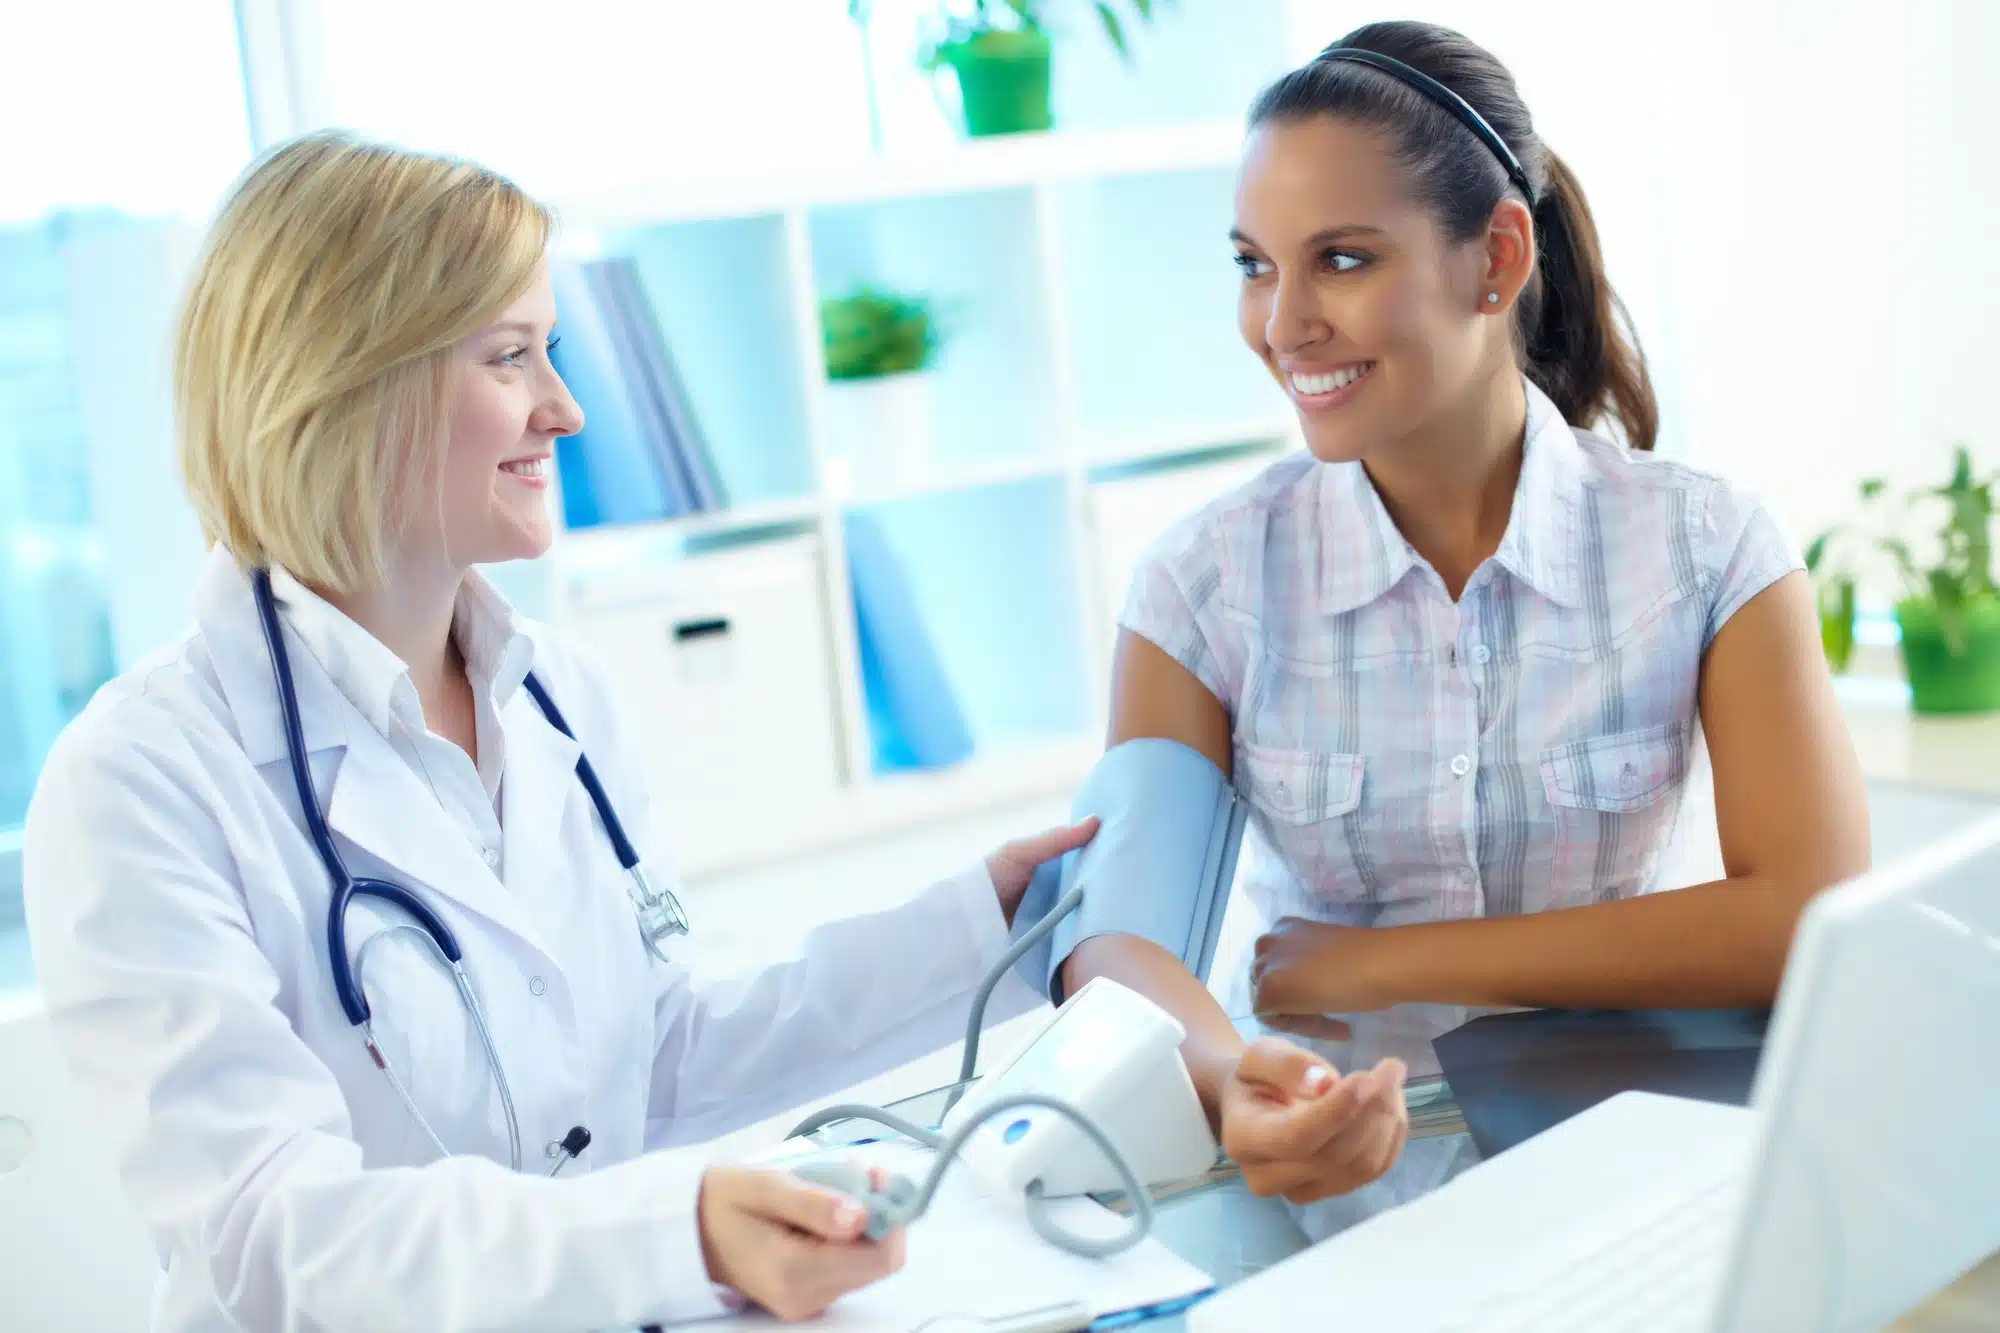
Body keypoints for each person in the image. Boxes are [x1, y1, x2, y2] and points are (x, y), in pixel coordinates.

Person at [21, 131, 1103, 1330]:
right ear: (345, 382)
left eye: (553, 350)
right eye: (509, 356)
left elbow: (655, 1060)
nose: (567, 409)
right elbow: (275, 1232)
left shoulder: (557, 696)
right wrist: (674, 1233)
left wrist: (980, 929)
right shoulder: (143, 780)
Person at [1056, 20, 1870, 1240]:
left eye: (1339, 259)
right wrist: (1229, 1077)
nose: (1281, 323)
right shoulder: (1202, 586)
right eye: (1253, 265)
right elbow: (1118, 943)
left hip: (1629, 1178)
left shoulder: (1705, 549)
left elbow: (1805, 911)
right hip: (1331, 1210)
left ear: (1494, 259)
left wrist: (1388, 960)